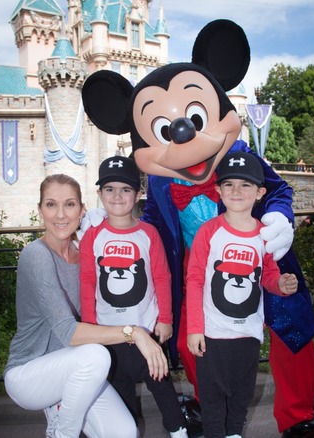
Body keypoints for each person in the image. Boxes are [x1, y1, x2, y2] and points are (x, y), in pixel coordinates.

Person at [4, 174, 170, 438]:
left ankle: (63, 408)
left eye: (69, 205)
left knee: (125, 431)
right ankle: (61, 433)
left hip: (78, 371)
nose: (60, 215)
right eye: (51, 204)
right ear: (39, 210)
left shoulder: (86, 253)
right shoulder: (36, 255)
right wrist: (135, 332)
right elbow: (69, 333)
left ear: (82, 210)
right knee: (96, 355)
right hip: (30, 373)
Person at [185, 152, 299, 438]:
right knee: (212, 402)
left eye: (245, 185)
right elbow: (195, 280)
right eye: (229, 184)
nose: (236, 191)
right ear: (218, 190)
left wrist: (280, 284)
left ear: (260, 192)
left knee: (240, 398)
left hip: (247, 335)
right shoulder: (207, 232)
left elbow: (268, 275)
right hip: (212, 335)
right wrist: (194, 329)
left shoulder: (264, 236)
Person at [79, 156, 188, 437]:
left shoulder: (148, 233)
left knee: (163, 389)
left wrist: (166, 319)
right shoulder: (92, 237)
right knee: (124, 400)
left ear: (138, 194)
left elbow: (163, 278)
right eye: (110, 189)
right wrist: (90, 329)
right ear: (99, 194)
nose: (117, 196)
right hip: (109, 335)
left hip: (147, 331)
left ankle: (178, 431)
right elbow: (88, 282)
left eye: (125, 189)